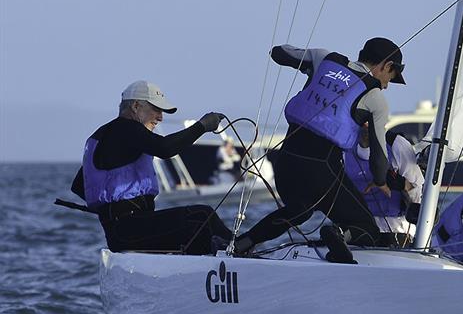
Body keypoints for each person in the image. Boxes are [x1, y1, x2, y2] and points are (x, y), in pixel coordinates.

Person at [234, 37, 407, 262]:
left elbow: (279, 52)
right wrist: (381, 180)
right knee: (366, 227)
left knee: (300, 210)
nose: (386, 85)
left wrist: (313, 69)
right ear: (387, 66)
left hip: (285, 164)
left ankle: (242, 243)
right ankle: (337, 235)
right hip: (321, 170)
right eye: (390, 78)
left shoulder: (324, 59)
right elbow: (378, 156)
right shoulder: (375, 98)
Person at [69, 80, 232, 255]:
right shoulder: (126, 128)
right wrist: (202, 126)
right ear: (136, 106)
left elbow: (79, 186)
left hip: (123, 231)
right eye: (156, 109)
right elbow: (164, 148)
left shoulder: (106, 134)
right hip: (129, 229)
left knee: (200, 237)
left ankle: (223, 257)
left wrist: (108, 211)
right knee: (201, 216)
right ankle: (241, 251)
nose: (161, 117)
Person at [344, 126, 423, 243]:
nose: (366, 126)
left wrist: (401, 183)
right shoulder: (341, 143)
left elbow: (418, 196)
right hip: (356, 227)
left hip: (396, 229)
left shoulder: (397, 145)